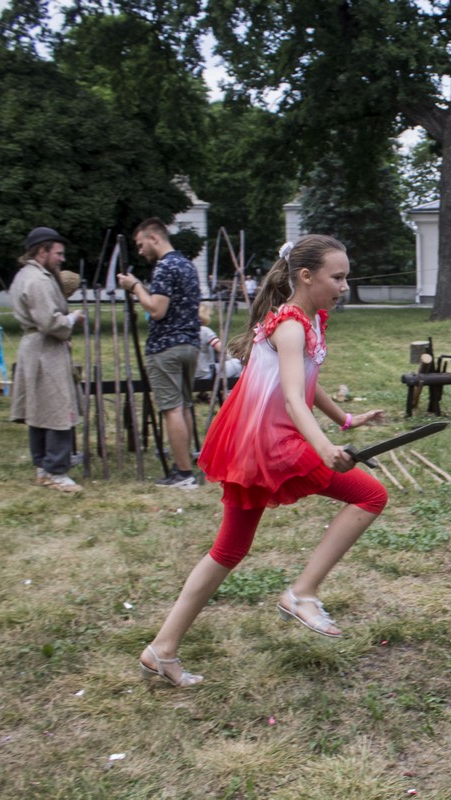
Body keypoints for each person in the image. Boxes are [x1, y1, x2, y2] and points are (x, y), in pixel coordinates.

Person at [138, 235, 387, 687]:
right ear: (306, 276)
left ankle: (162, 649)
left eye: (346, 276)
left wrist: (346, 419)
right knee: (370, 495)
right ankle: (302, 593)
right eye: (338, 277)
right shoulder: (290, 325)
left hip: (256, 444)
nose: (345, 285)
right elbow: (293, 399)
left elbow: (307, 381)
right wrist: (325, 449)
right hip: (269, 444)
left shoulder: (308, 321)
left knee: (229, 550)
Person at [117, 219, 201, 488]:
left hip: (166, 347)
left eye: (141, 245)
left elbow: (156, 309)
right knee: (185, 406)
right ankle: (183, 465)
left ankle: (184, 474)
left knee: (171, 408)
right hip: (190, 344)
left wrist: (136, 287)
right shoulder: (187, 265)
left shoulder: (165, 266)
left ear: (154, 238)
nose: (140, 251)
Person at [9, 227, 85, 493]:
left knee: (40, 409)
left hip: (36, 347)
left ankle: (43, 466)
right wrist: (72, 319)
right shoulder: (38, 280)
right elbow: (49, 321)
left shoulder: (26, 275)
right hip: (45, 350)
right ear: (42, 251)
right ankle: (55, 470)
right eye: (58, 253)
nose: (61, 259)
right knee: (56, 409)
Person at [195, 302, 242, 382]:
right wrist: (234, 356)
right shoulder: (205, 331)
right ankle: (228, 393)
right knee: (239, 364)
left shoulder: (190, 332)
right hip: (207, 373)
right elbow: (221, 349)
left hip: (193, 374)